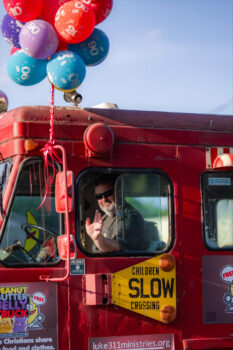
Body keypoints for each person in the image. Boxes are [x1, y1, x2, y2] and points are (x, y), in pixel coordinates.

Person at [85, 175, 146, 253]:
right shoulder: (103, 219)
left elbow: (116, 246)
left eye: (108, 193)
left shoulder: (131, 216)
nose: (104, 199)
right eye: (99, 196)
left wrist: (97, 238)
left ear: (119, 192)